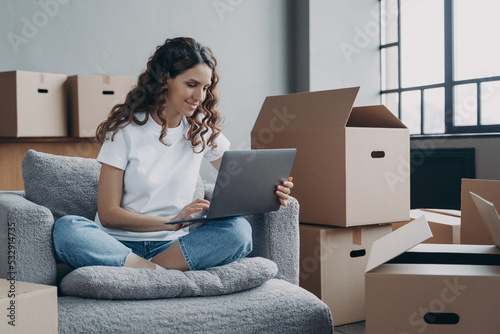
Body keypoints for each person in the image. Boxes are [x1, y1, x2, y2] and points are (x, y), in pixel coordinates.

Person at [52, 37, 294, 272]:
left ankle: (141, 271)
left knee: (238, 231)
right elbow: (108, 215)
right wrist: (172, 222)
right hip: (116, 243)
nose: (199, 98)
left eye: (205, 87)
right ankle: (157, 272)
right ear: (166, 79)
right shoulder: (125, 130)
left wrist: (270, 190)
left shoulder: (201, 130)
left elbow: (243, 181)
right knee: (67, 229)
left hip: (173, 248)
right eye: (191, 85)